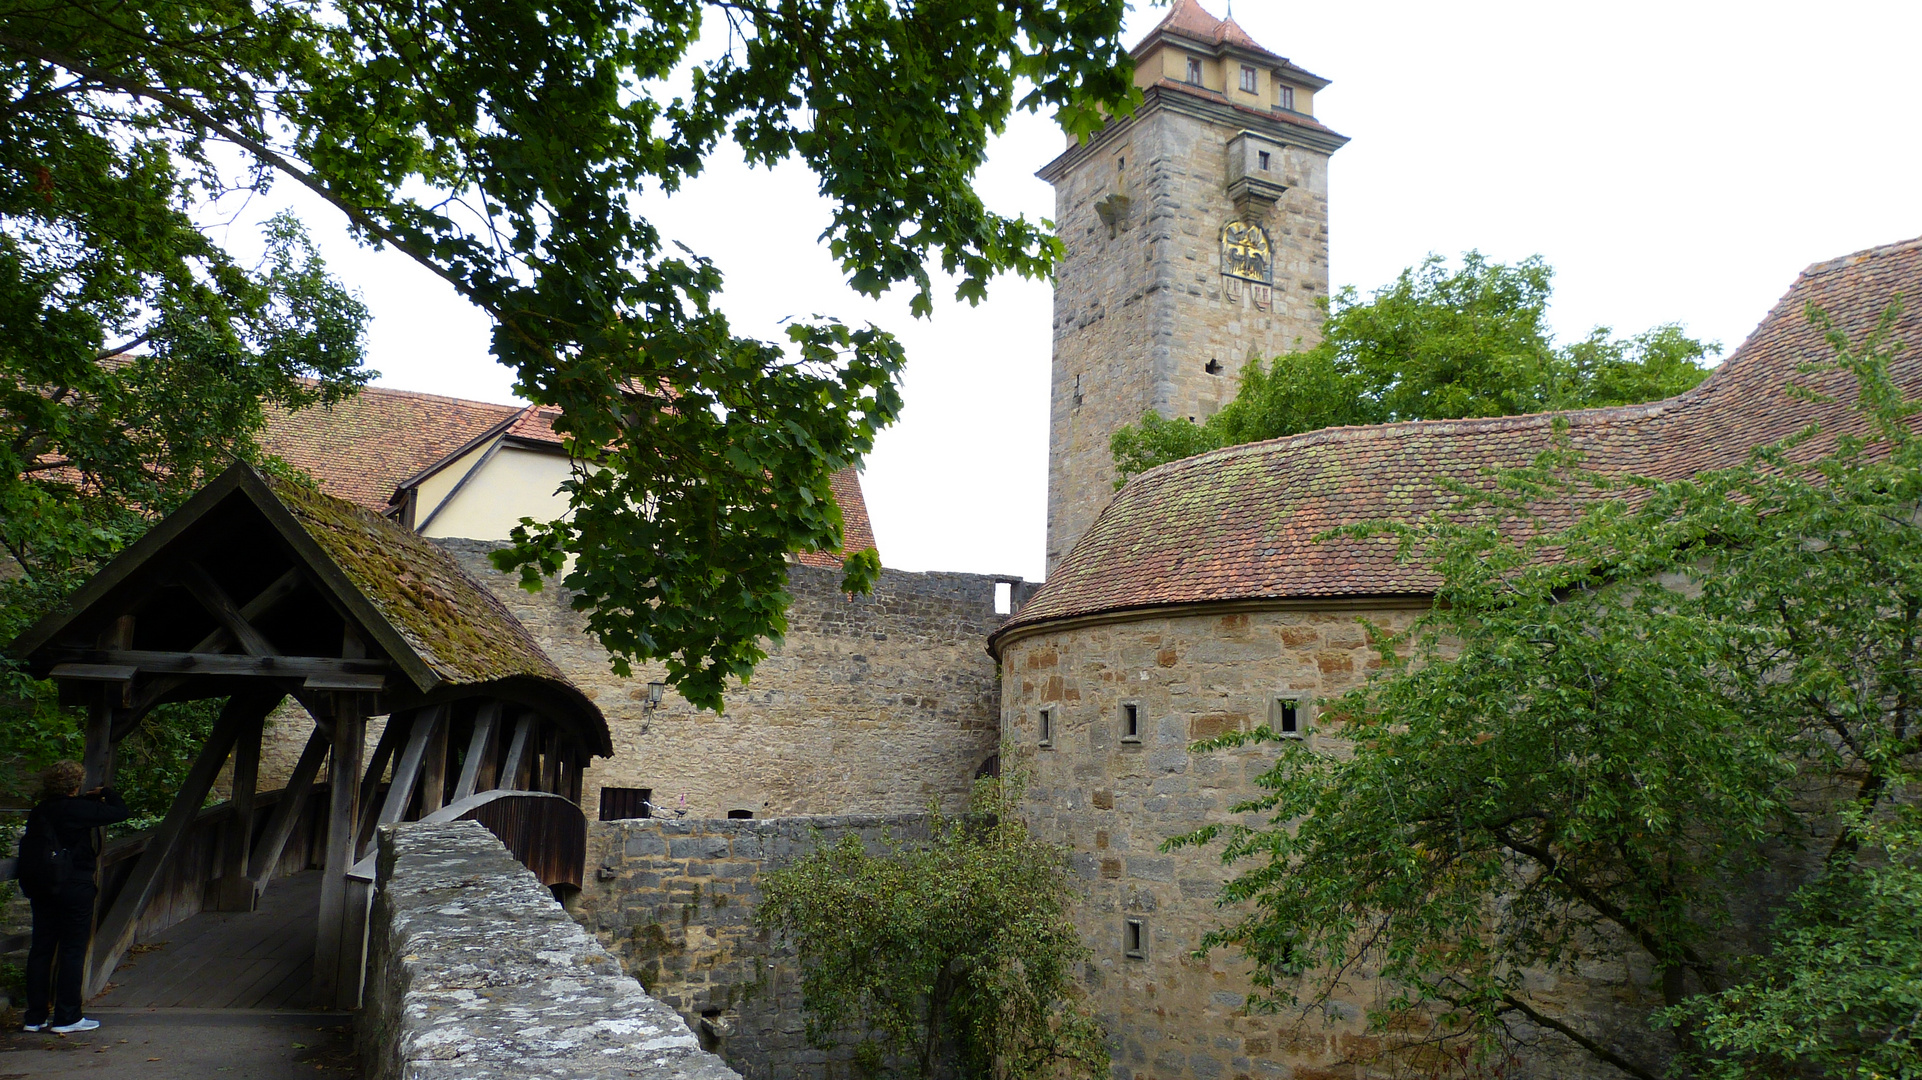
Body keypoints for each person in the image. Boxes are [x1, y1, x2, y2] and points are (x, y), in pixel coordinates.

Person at [17, 760, 130, 1034]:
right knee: (71, 949)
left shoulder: (39, 811)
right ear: (76, 784)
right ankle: (67, 1017)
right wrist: (105, 793)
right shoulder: (79, 809)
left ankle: (35, 1017)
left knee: (41, 948)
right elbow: (121, 812)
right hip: (74, 885)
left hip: (43, 886)